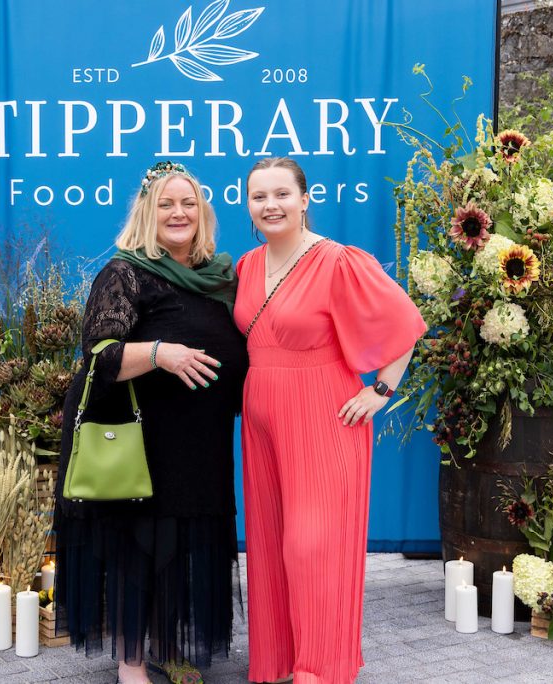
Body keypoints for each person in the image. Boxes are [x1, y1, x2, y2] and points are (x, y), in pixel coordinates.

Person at [233, 158, 427, 684]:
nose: (270, 205)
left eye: (281, 194)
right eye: (258, 196)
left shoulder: (337, 260)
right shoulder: (247, 266)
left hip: (323, 413)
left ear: (304, 200)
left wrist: (381, 390)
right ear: (248, 205)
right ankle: (277, 661)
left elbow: (405, 323)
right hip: (261, 420)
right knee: (270, 541)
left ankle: (318, 669)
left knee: (311, 544)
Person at [55, 161, 247, 684]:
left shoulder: (219, 278)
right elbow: (100, 355)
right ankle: (131, 662)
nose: (178, 213)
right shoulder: (126, 273)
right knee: (139, 547)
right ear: (147, 212)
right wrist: (162, 353)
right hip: (142, 438)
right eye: (166, 204)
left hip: (200, 441)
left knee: (181, 547)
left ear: (202, 212)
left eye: (188, 203)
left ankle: (167, 644)